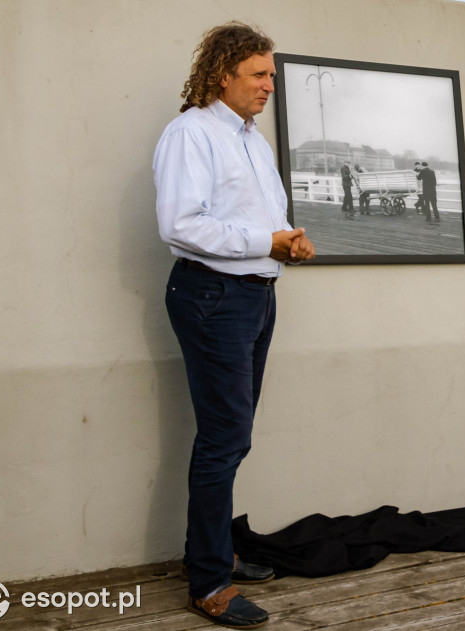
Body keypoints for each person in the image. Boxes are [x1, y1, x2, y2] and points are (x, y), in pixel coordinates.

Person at [153, 21, 315, 629]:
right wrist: (264, 241)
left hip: (253, 296)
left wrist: (288, 243)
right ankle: (209, 582)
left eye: (272, 74)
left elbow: (258, 221)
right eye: (259, 74)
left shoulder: (253, 140)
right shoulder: (191, 133)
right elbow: (180, 225)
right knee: (225, 438)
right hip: (212, 296)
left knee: (233, 436)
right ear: (223, 74)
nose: (270, 85)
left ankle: (212, 552)